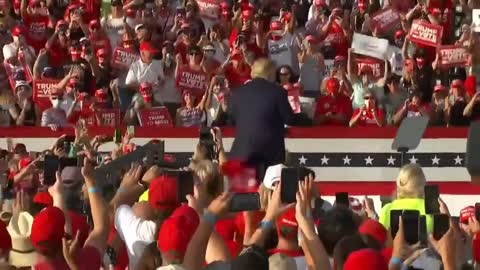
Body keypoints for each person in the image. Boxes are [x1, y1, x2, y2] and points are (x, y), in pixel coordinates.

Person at [229, 58, 294, 180]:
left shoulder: (238, 92)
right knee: (267, 193)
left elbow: (232, 119)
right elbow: (289, 118)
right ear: (270, 72)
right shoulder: (277, 92)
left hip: (241, 152)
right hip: (268, 155)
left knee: (242, 195)